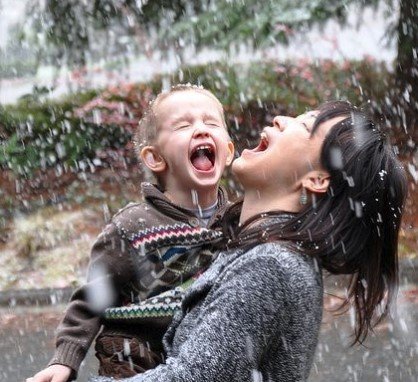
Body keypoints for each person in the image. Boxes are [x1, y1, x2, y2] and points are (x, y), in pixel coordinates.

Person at [90, 100, 407, 382]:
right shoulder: (264, 253)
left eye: (305, 125)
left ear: (317, 179)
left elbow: (190, 376)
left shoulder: (271, 267)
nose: (282, 119)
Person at [27, 84, 235, 382]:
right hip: (138, 349)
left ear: (227, 151)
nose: (201, 129)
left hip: (201, 348)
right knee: (123, 349)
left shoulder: (238, 221)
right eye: (184, 125)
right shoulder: (133, 225)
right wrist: (65, 359)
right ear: (154, 158)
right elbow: (93, 297)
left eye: (211, 122)